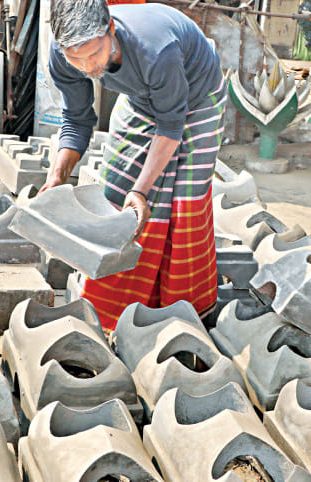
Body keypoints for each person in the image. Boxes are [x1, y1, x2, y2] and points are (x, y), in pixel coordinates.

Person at [42, 0, 226, 331]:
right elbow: (77, 119)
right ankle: (111, 312)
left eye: (95, 54)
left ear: (111, 29)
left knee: (183, 207)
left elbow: (171, 126)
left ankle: (181, 315)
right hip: (141, 100)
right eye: (76, 58)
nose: (87, 66)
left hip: (199, 97)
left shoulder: (156, 49)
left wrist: (140, 190)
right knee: (115, 199)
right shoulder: (62, 55)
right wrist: (57, 176)